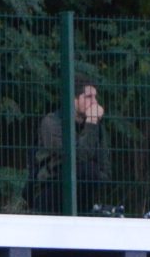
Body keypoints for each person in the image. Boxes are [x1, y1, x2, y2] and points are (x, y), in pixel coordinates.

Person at [25, 82, 108, 213]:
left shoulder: (94, 125)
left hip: (83, 192)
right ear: (73, 99)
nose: (94, 102)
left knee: (90, 172)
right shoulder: (51, 122)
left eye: (95, 97)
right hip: (50, 188)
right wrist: (92, 122)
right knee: (86, 170)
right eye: (88, 97)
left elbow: (105, 167)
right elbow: (77, 157)